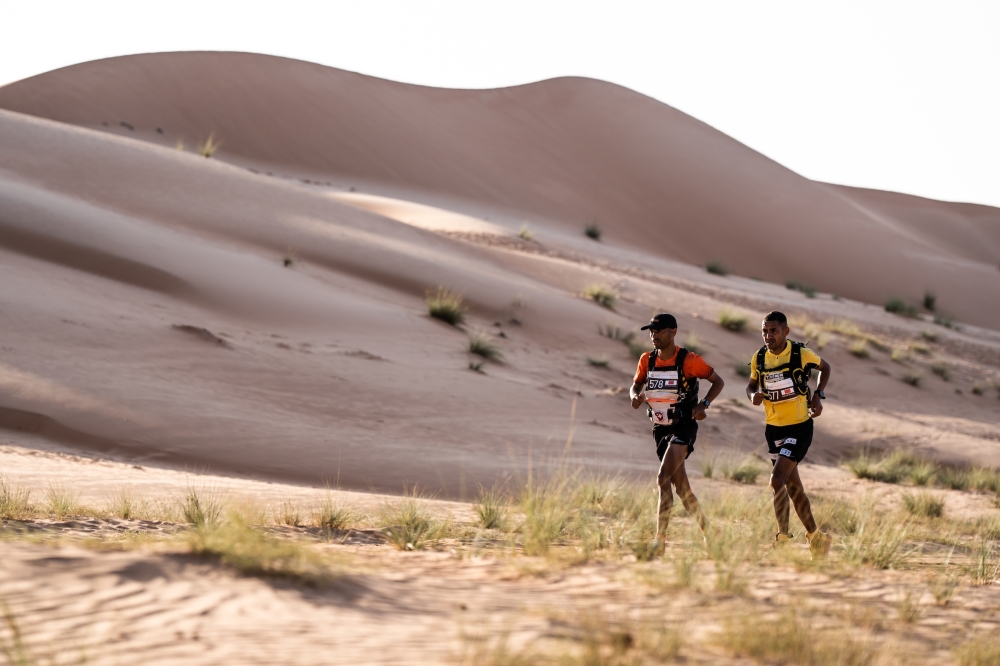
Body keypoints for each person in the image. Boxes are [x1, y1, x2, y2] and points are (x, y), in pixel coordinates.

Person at [629, 313, 725, 544]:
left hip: (683, 427)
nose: (654, 335)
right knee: (681, 489)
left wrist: (704, 404)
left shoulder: (690, 360)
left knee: (663, 478)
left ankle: (659, 540)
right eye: (651, 331)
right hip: (660, 429)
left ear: (673, 332)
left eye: (659, 331)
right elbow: (636, 384)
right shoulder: (646, 360)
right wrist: (634, 396)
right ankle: (711, 533)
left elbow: (718, 381)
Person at [745, 311, 832, 558]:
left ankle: (783, 538)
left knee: (776, 480)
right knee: (793, 488)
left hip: (799, 426)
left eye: (773, 331)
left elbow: (825, 368)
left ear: (786, 332)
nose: (768, 335)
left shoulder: (800, 354)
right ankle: (817, 538)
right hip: (773, 428)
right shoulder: (759, 357)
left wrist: (818, 395)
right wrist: (753, 395)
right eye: (764, 331)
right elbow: (751, 385)